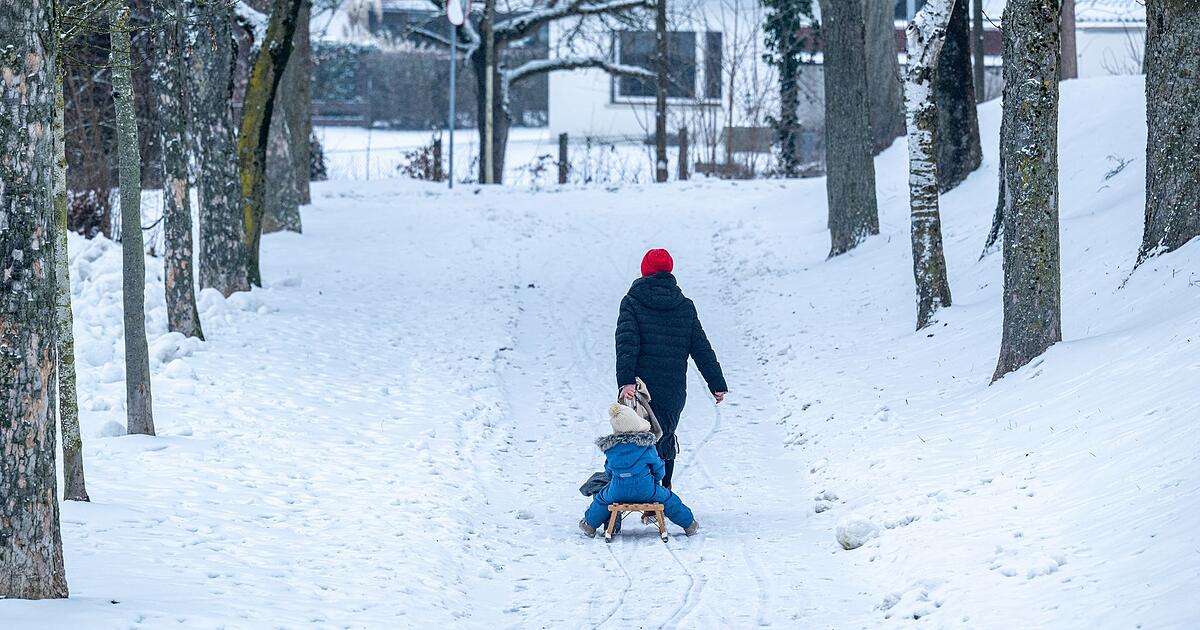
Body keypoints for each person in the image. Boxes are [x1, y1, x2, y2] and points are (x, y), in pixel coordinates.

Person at [615, 249, 727, 490]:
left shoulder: (632, 302)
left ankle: (643, 492)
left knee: (638, 437)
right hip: (673, 389)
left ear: (645, 270)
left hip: (640, 387)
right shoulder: (684, 306)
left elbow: (626, 344)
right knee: (665, 434)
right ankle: (663, 490)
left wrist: (626, 381)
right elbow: (701, 347)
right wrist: (716, 383)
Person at [579, 403, 699, 537]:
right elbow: (658, 468)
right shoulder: (646, 446)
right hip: (646, 490)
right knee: (669, 499)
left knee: (601, 499)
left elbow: (609, 471)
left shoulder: (611, 449)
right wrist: (655, 479)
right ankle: (689, 524)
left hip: (617, 491)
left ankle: (589, 525)